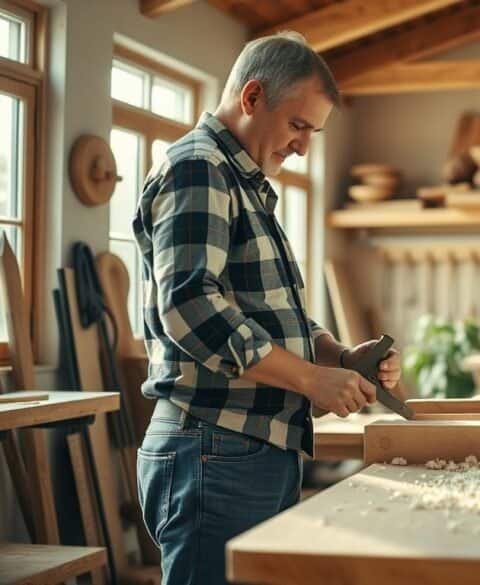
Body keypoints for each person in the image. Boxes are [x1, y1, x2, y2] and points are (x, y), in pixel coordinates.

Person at [132, 32, 401, 585]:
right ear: (252, 97)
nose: (304, 146)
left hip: (251, 448)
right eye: (298, 126)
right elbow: (188, 306)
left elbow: (277, 313)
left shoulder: (246, 182)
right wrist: (308, 379)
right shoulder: (199, 168)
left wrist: (340, 357)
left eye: (313, 133)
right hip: (212, 446)